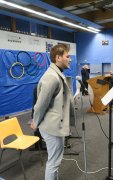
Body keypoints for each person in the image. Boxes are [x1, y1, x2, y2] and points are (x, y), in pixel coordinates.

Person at [30, 44, 75, 180]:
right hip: (51, 127)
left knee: (55, 160)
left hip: (54, 125)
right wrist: (35, 122)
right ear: (58, 57)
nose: (70, 59)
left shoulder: (56, 73)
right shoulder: (52, 77)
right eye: (67, 56)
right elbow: (40, 105)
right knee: (53, 163)